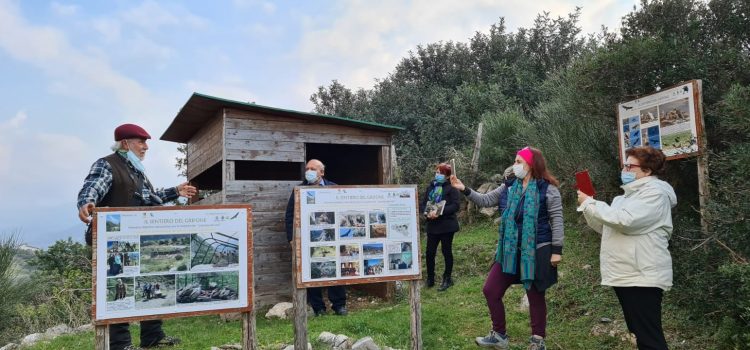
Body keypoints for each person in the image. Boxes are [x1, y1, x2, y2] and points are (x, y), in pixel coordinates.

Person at [77, 123, 196, 350]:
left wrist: (176, 191)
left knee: (149, 280)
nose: (146, 147)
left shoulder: (136, 170)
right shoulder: (107, 165)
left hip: (138, 240)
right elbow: (92, 187)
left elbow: (150, 197)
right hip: (113, 242)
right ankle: (120, 345)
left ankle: (152, 336)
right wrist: (86, 203)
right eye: (141, 142)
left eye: (146, 142)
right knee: (117, 288)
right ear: (125, 143)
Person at [451, 146, 563, 350]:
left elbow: (557, 220)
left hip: (537, 250)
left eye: (519, 161)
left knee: (535, 295)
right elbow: (485, 200)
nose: (515, 165)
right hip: (510, 251)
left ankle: (538, 341)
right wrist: (463, 188)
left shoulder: (548, 189)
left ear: (532, 164)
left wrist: (557, 251)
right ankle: (499, 335)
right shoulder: (510, 186)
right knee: (490, 290)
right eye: (515, 161)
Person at [577, 146, 675, 350]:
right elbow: (607, 227)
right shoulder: (624, 198)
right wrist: (588, 207)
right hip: (625, 273)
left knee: (650, 338)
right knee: (640, 334)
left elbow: (626, 221)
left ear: (647, 171)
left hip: (643, 274)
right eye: (624, 165)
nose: (625, 170)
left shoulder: (655, 194)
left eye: (630, 166)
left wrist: (591, 204)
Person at [285, 159, 348, 316]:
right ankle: (318, 308)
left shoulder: (334, 188)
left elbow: (344, 212)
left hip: (333, 238)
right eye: (307, 168)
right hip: (309, 240)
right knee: (313, 272)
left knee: (335, 270)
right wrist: (291, 239)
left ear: (322, 172)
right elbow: (289, 215)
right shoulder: (299, 190)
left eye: (313, 168)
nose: (309, 171)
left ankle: (339, 306)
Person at [419, 163, 460, 291]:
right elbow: (423, 203)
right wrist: (427, 212)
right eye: (437, 172)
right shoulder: (431, 187)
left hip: (447, 225)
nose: (438, 175)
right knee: (430, 252)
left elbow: (455, 206)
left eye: (441, 173)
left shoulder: (452, 188)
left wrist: (439, 211)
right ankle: (430, 279)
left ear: (447, 176)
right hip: (432, 224)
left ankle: (447, 278)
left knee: (446, 251)